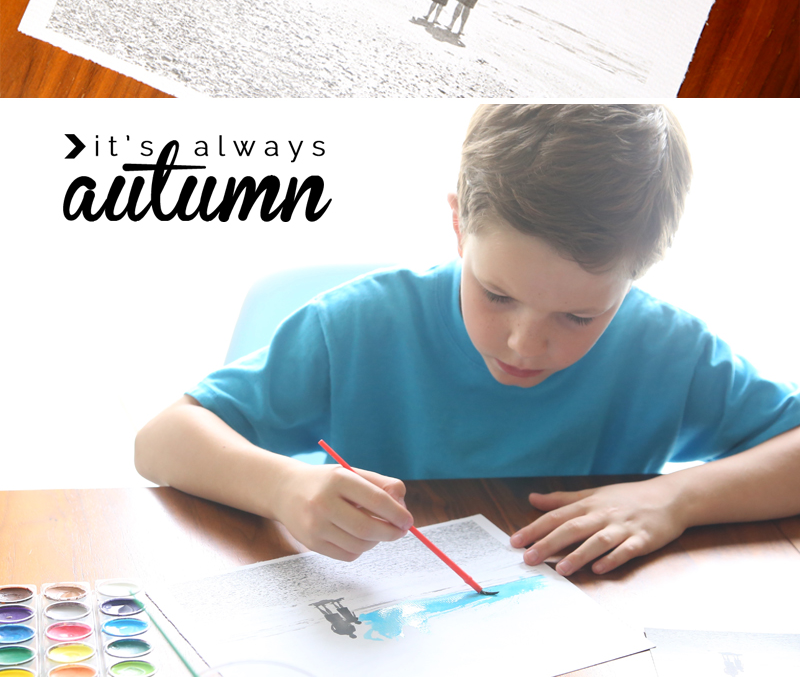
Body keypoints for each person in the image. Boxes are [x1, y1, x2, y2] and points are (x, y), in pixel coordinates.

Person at [134, 105, 800, 578]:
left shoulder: (665, 349)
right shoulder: (360, 327)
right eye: (497, 294)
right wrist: (283, 486)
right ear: (458, 225)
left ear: (638, 274)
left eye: (578, 317)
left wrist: (677, 498)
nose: (524, 341)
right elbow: (161, 440)